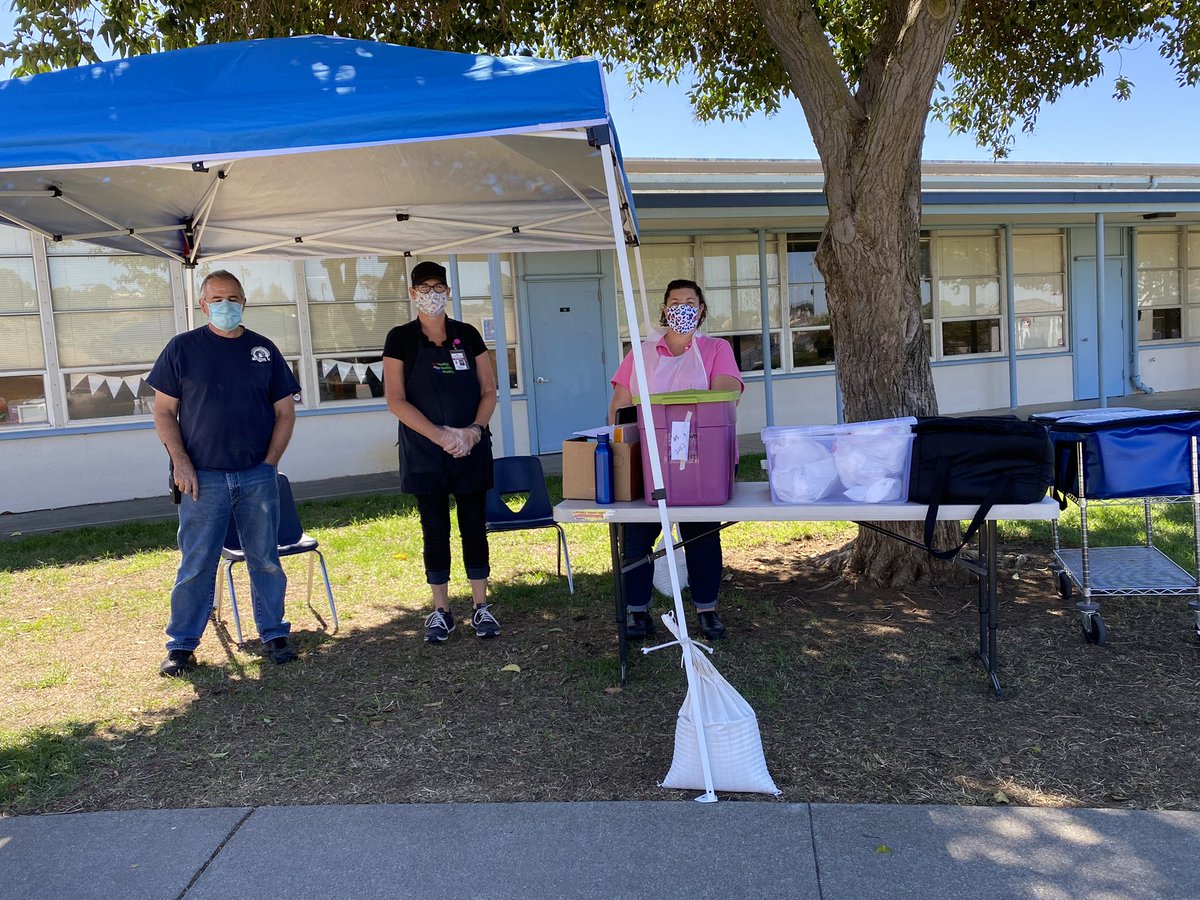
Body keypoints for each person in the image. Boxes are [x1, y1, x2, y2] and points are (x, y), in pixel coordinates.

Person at [148, 270, 301, 676]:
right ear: (203, 305)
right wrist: (181, 462)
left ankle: (274, 634)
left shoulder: (263, 350)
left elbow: (285, 413)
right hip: (202, 478)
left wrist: (269, 463)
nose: (226, 305)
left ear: (244, 302)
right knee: (196, 564)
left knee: (265, 560)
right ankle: (182, 645)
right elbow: (163, 412)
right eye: (217, 299)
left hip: (256, 475)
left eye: (233, 298)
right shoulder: (182, 349)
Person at [608, 278, 743, 641]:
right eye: (675, 302)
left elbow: (727, 392)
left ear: (701, 310)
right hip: (650, 460)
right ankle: (637, 612)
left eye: (690, 302)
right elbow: (620, 407)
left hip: (702, 458)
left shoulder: (715, 348)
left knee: (701, 536)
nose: (682, 307)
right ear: (664, 309)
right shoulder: (641, 354)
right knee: (636, 536)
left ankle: (706, 609)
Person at [383, 261, 500, 643]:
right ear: (413, 293)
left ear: (448, 292)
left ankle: (481, 606)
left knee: (473, 527)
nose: (431, 294)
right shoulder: (400, 338)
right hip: (425, 452)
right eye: (424, 288)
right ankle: (441, 610)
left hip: (470, 448)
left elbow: (489, 390)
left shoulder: (467, 334)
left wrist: (473, 431)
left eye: (438, 287)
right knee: (434, 530)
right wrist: (439, 436)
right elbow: (396, 399)